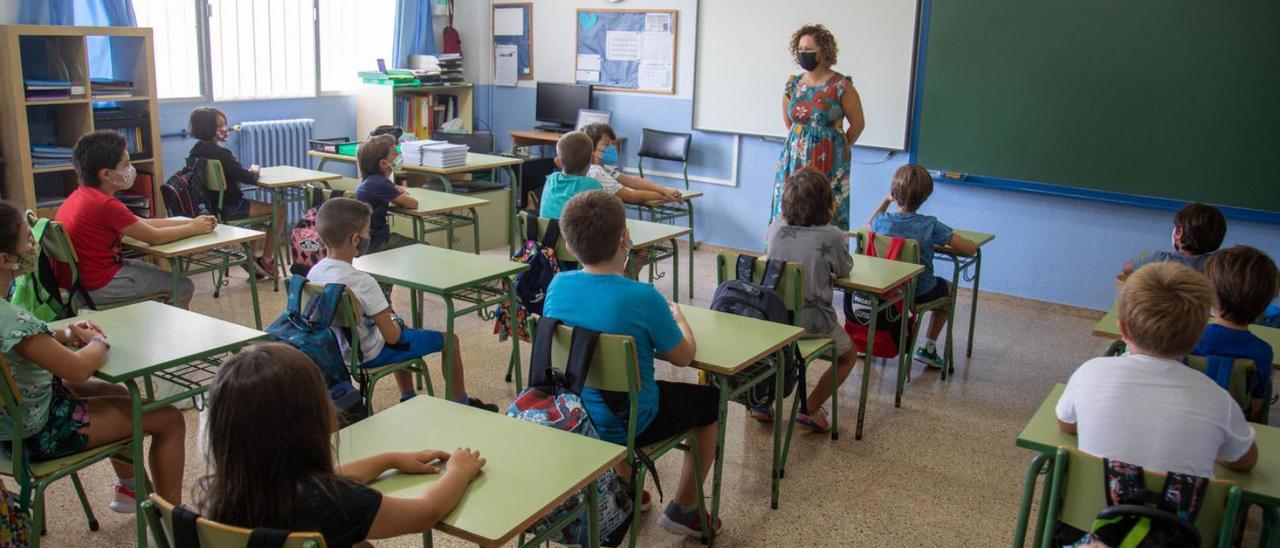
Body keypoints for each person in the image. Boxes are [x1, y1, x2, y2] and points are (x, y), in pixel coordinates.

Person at [542, 191, 719, 538]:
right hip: (631, 420)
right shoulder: (644, 297)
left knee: (606, 391)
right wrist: (681, 320)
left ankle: (625, 485)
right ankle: (685, 509)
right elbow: (683, 358)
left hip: (573, 413)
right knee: (709, 403)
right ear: (625, 238)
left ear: (567, 242)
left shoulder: (557, 285)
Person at [198, 342, 485, 547]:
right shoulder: (337, 502)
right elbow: (426, 512)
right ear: (309, 419)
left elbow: (320, 483)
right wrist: (459, 471)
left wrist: (388, 460)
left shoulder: (228, 491)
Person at [0, 200, 186, 512]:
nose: (34, 245)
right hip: (37, 433)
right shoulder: (12, 321)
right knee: (169, 419)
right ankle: (171, 522)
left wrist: (66, 334)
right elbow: (79, 368)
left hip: (10, 425)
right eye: (28, 240)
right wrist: (98, 342)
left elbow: (25, 342)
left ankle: (130, 491)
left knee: (115, 393)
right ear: (5, 259)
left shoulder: (11, 317)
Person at [1056, 262, 1257, 478]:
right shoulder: (1219, 399)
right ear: (1198, 337)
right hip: (1180, 512)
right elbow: (1246, 461)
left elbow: (1066, 424)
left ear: (1122, 328)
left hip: (1093, 510)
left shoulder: (1090, 372)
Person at [305, 198, 497, 411]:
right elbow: (393, 337)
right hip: (369, 354)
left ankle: (409, 396)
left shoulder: (314, 273)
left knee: (396, 325)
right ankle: (461, 402)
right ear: (355, 239)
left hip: (339, 354)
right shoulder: (363, 282)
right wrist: (394, 321)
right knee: (449, 340)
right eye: (368, 232)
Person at [56, 130, 215, 309]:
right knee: (183, 286)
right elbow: (155, 237)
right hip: (99, 284)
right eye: (125, 165)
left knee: (158, 274)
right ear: (106, 174)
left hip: (81, 282)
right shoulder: (105, 204)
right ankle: (171, 333)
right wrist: (192, 228)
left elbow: (139, 222)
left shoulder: (83, 196)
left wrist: (188, 222)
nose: (131, 170)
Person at [761, 168, 855, 433]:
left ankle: (760, 403)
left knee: (772, 353)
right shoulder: (832, 235)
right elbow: (845, 268)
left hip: (774, 321)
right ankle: (810, 407)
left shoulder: (775, 229)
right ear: (827, 204)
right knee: (849, 357)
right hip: (813, 322)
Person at [868, 164, 976, 370]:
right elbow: (969, 249)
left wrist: (885, 200)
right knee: (949, 289)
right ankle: (928, 347)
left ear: (894, 193)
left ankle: (873, 341)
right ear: (925, 196)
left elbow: (869, 224)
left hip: (888, 290)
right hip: (920, 291)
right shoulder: (930, 225)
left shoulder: (881, 222)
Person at [771, 24, 865, 231]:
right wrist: (801, 141)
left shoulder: (841, 86)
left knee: (824, 212)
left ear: (823, 51)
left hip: (829, 161)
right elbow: (791, 122)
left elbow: (858, 124)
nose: (803, 54)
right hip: (794, 158)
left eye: (808, 49)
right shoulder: (793, 84)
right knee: (791, 208)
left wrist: (837, 147)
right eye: (800, 50)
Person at [187, 107, 280, 276]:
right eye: (219, 126)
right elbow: (248, 178)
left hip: (211, 208)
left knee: (257, 209)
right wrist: (254, 169)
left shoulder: (196, 151)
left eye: (225, 124)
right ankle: (266, 258)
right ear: (209, 129)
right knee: (280, 210)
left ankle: (251, 257)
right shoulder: (221, 154)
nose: (225, 128)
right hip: (230, 208)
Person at [1191, 245, 1278, 422]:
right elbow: (1256, 405)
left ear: (1209, 294)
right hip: (1235, 426)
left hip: (1189, 420)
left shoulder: (1188, 338)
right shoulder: (1262, 351)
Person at [578, 123, 684, 204]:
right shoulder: (596, 172)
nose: (612, 148)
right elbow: (630, 196)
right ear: (591, 147)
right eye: (606, 145)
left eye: (612, 144)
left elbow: (632, 181)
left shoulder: (602, 167)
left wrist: (664, 190)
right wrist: (663, 195)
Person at [354, 134, 419, 254]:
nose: (399, 156)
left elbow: (393, 195)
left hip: (364, 242)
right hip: (374, 244)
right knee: (423, 247)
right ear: (383, 164)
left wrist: (395, 193)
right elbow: (414, 204)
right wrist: (403, 195)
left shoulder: (369, 180)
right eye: (395, 154)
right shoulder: (379, 183)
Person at [1121, 202, 1226, 275]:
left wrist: (1129, 264)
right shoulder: (1215, 265)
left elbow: (1127, 269)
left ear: (1179, 232)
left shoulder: (1160, 259)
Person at [537, 132, 601, 220]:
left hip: (545, 232)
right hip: (573, 233)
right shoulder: (593, 185)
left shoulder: (551, 179)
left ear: (558, 161)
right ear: (592, 159)